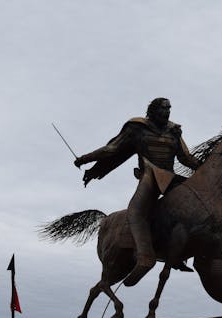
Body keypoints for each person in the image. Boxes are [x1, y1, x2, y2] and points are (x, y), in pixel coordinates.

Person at [74, 97, 201, 286]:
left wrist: (205, 167)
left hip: (170, 179)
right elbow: (112, 149)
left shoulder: (174, 131)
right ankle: (143, 255)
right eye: (163, 109)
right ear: (153, 110)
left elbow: (186, 157)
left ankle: (178, 252)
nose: (167, 112)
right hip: (148, 177)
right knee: (138, 210)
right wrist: (85, 159)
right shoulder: (137, 127)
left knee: (193, 204)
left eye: (169, 109)